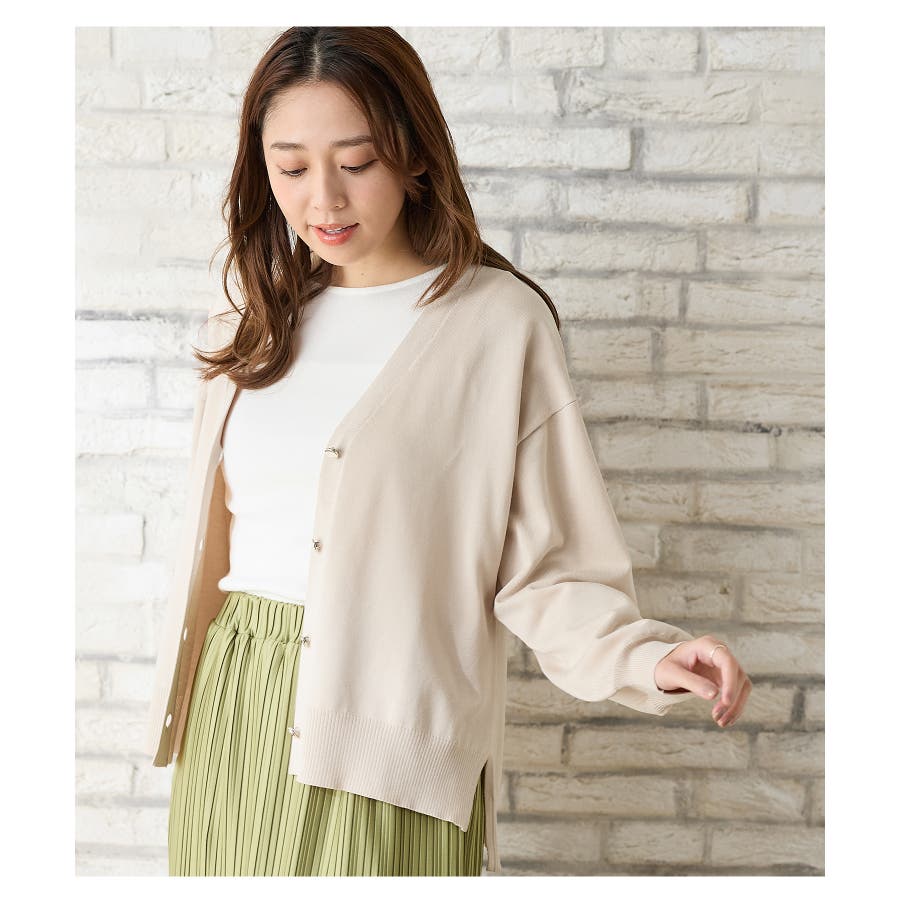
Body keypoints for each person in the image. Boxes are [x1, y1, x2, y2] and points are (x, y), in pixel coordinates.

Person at [145, 26, 752, 877]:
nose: (325, 198)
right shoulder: (250, 324)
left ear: (415, 157)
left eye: (356, 162)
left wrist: (645, 657)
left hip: (390, 726)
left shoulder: (497, 324)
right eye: (291, 168)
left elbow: (548, 566)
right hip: (235, 701)